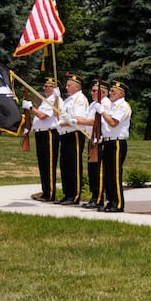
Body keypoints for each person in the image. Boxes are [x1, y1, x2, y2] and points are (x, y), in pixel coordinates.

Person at [97, 79, 131, 212]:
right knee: (108, 173)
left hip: (117, 142)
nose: (110, 93)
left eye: (113, 91)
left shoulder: (123, 106)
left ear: (121, 94)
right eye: (110, 91)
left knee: (115, 174)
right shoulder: (111, 105)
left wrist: (102, 112)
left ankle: (118, 203)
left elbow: (113, 123)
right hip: (108, 141)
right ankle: (110, 201)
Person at [26, 77, 61, 201]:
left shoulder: (55, 100)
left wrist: (31, 108)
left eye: (49, 86)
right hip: (41, 134)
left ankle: (50, 193)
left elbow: (42, 116)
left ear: (54, 88)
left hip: (50, 134)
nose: (45, 88)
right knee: (43, 164)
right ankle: (45, 191)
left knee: (49, 164)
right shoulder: (47, 100)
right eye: (45, 86)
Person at [55, 73, 86, 204]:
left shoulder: (79, 99)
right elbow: (57, 114)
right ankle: (67, 194)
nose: (66, 88)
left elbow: (77, 119)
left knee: (74, 165)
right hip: (65, 134)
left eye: (69, 85)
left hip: (75, 134)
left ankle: (75, 195)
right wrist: (56, 98)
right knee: (65, 165)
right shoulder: (68, 100)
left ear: (76, 87)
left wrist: (63, 123)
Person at [80, 78, 107, 208]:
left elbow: (95, 121)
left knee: (98, 171)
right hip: (92, 140)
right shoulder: (93, 104)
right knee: (92, 171)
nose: (92, 92)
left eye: (95, 90)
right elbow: (87, 118)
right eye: (92, 90)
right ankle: (94, 196)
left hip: (100, 141)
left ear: (103, 93)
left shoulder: (105, 104)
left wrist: (78, 122)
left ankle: (99, 198)